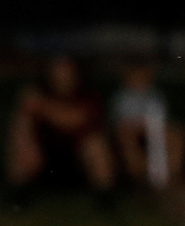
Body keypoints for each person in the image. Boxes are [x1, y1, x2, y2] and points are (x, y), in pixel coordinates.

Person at [7, 55, 115, 204]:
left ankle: (105, 198)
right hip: (45, 157)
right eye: (57, 71)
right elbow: (20, 124)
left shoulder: (88, 94)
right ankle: (17, 194)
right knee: (21, 130)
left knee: (96, 146)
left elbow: (73, 119)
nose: (61, 77)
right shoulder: (39, 91)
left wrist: (41, 105)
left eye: (66, 72)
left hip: (78, 160)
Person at [112, 59, 185, 192]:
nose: (140, 78)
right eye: (136, 75)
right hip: (131, 132)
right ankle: (142, 178)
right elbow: (122, 122)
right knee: (127, 137)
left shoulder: (155, 95)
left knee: (176, 134)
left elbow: (161, 117)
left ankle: (170, 177)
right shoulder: (122, 96)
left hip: (153, 130)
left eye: (143, 75)